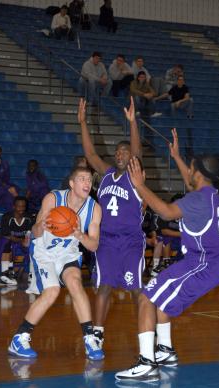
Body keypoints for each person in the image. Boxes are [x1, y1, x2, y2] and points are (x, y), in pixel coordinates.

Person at [115, 129, 219, 382]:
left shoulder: (197, 200)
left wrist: (140, 185)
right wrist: (177, 156)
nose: (187, 171)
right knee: (161, 297)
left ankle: (146, 363)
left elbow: (166, 213)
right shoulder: (208, 193)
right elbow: (191, 180)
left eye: (189, 167)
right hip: (208, 261)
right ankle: (164, 350)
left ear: (198, 173)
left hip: (203, 263)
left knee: (146, 297)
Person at [8, 166, 104, 361]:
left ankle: (89, 339)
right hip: (44, 252)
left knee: (76, 284)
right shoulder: (53, 198)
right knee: (52, 291)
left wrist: (78, 233)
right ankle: (19, 338)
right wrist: (40, 226)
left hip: (67, 253)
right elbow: (35, 232)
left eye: (89, 180)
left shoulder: (94, 208)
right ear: (71, 183)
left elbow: (93, 246)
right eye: (82, 179)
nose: (87, 183)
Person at [78, 96, 144, 356]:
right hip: (106, 240)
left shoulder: (134, 174)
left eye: (124, 152)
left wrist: (132, 123)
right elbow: (90, 153)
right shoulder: (105, 175)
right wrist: (82, 122)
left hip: (130, 240)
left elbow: (138, 151)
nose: (120, 154)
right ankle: (97, 333)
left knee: (137, 289)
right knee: (103, 286)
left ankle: (145, 334)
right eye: (118, 152)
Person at [0, 196, 35, 285]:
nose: (21, 208)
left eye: (23, 206)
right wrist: (20, 240)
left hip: (24, 242)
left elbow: (31, 232)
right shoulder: (7, 217)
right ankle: (6, 276)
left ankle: (32, 276)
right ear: (14, 206)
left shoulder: (29, 217)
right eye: (19, 206)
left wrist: (27, 240)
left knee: (34, 246)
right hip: (11, 242)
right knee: (6, 243)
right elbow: (6, 235)